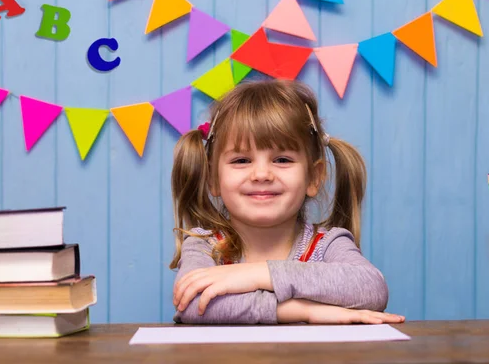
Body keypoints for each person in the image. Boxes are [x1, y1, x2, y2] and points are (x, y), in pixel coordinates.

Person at [169, 79, 404, 325]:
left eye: (282, 159)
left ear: (314, 177)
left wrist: (260, 273)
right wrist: (304, 311)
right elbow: (192, 305)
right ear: (214, 179)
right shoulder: (204, 246)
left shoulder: (327, 245)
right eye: (241, 161)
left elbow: (371, 288)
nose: (261, 174)